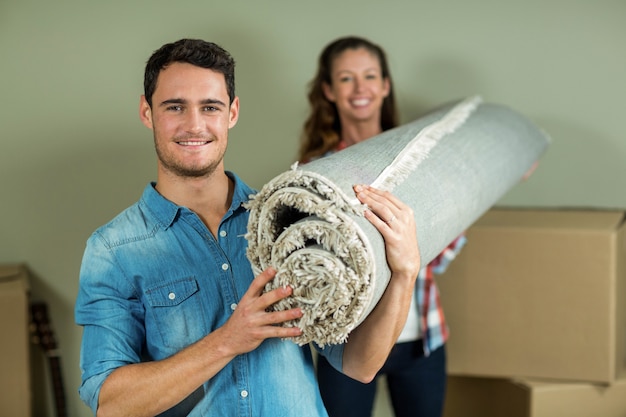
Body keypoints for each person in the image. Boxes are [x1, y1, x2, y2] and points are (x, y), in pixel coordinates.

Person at [74, 38, 423, 417]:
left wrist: (405, 273)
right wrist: (227, 341)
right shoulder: (112, 250)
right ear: (147, 112)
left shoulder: (289, 221)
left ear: (233, 112)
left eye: (210, 107)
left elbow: (360, 364)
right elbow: (110, 404)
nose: (194, 125)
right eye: (175, 107)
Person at [298, 36, 466, 417]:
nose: (360, 89)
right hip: (348, 342)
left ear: (385, 85)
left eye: (370, 76)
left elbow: (441, 251)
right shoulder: (317, 174)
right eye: (346, 78)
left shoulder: (420, 159)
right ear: (328, 90)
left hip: (422, 338)